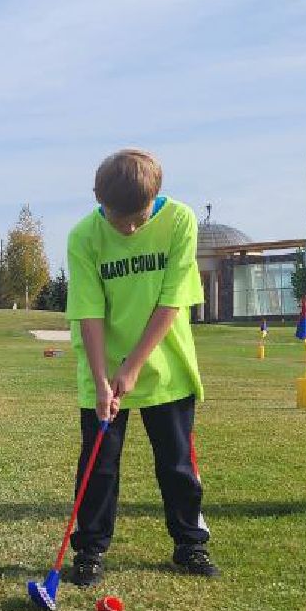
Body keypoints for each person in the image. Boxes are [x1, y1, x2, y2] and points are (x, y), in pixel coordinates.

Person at [63, 148, 217, 586]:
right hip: (100, 371)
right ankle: (89, 550)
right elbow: (88, 311)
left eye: (139, 215)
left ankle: (190, 543)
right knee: (99, 465)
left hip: (165, 369)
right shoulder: (84, 237)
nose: (129, 226)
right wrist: (100, 381)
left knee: (177, 463)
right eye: (118, 216)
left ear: (157, 195)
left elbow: (172, 299)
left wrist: (131, 368)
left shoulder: (180, 221)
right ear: (97, 199)